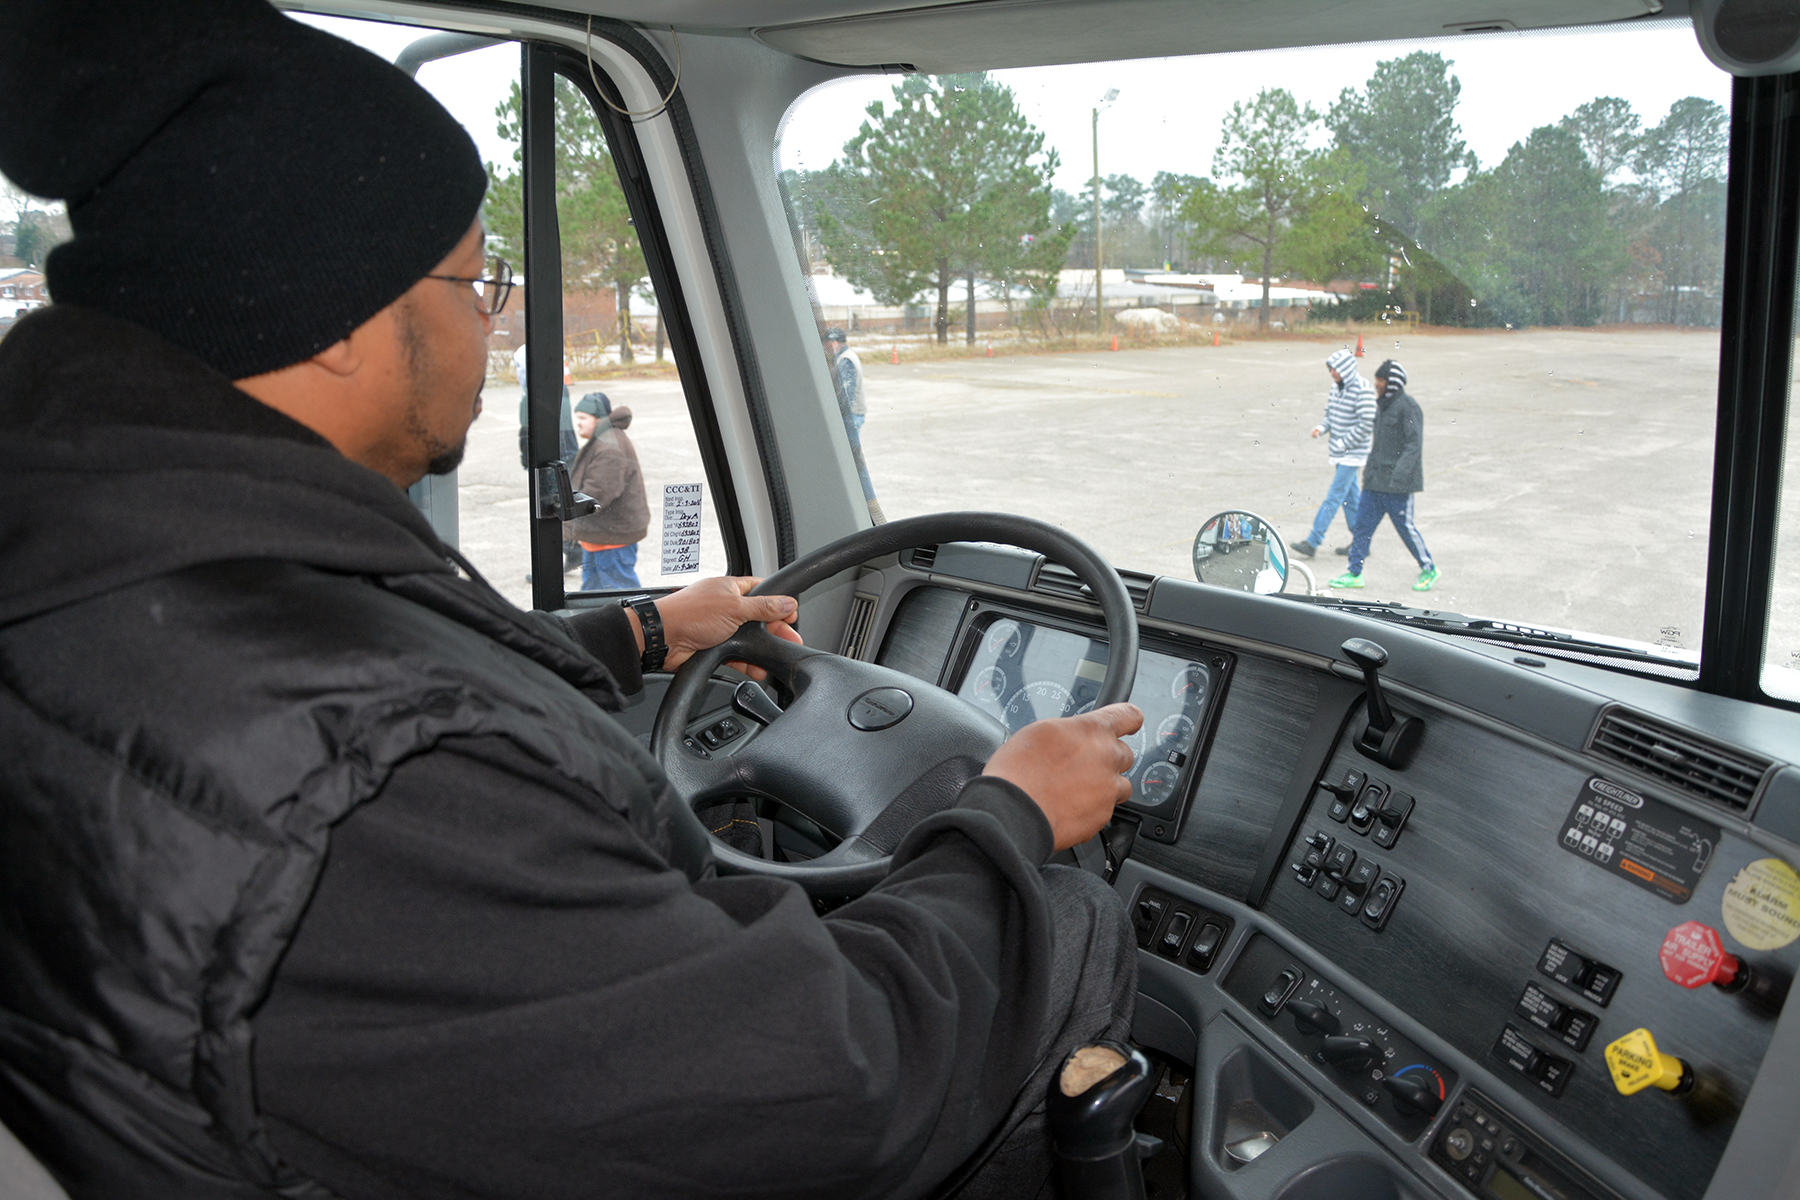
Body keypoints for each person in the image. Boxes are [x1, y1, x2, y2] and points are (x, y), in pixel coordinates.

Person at [0, 4, 1144, 1198]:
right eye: (476, 281)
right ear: (342, 318)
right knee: (1062, 927)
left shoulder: (107, 557)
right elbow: (829, 1085)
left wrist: (645, 630)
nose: (490, 325)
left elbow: (337, 667)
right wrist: (1003, 820)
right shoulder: (381, 792)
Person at [1330, 359, 1440, 592]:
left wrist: (1399, 476)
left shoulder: (1409, 407)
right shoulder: (1380, 406)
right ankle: (1354, 573)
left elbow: (1414, 446)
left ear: (1392, 382)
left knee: (1405, 529)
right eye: (1377, 379)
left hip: (1397, 485)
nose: (1376, 383)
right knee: (1362, 526)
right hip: (1375, 483)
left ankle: (1429, 568)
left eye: (1380, 379)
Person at [1290, 348, 1375, 560]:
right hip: (1339, 452)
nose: (1332, 373)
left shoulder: (1363, 389)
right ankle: (1361, 542)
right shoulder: (1336, 388)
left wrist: (1344, 442)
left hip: (1352, 454)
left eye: (1335, 369)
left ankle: (1313, 541)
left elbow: (1367, 424)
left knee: (1334, 496)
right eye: (1331, 369)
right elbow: (1330, 414)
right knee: (1351, 499)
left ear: (1345, 369)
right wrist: (1321, 428)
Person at [567, 390, 649, 591]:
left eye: (583, 418)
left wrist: (568, 512)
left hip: (612, 539)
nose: (578, 423)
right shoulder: (605, 438)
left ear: (598, 419)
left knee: (620, 591)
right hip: (602, 535)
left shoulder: (609, 446)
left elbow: (597, 494)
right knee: (592, 592)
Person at [824, 324, 883, 521]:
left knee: (855, 462)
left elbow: (845, 395)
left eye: (826, 343)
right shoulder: (844, 358)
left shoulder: (846, 361)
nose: (825, 347)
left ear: (833, 342)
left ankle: (869, 502)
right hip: (852, 416)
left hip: (850, 418)